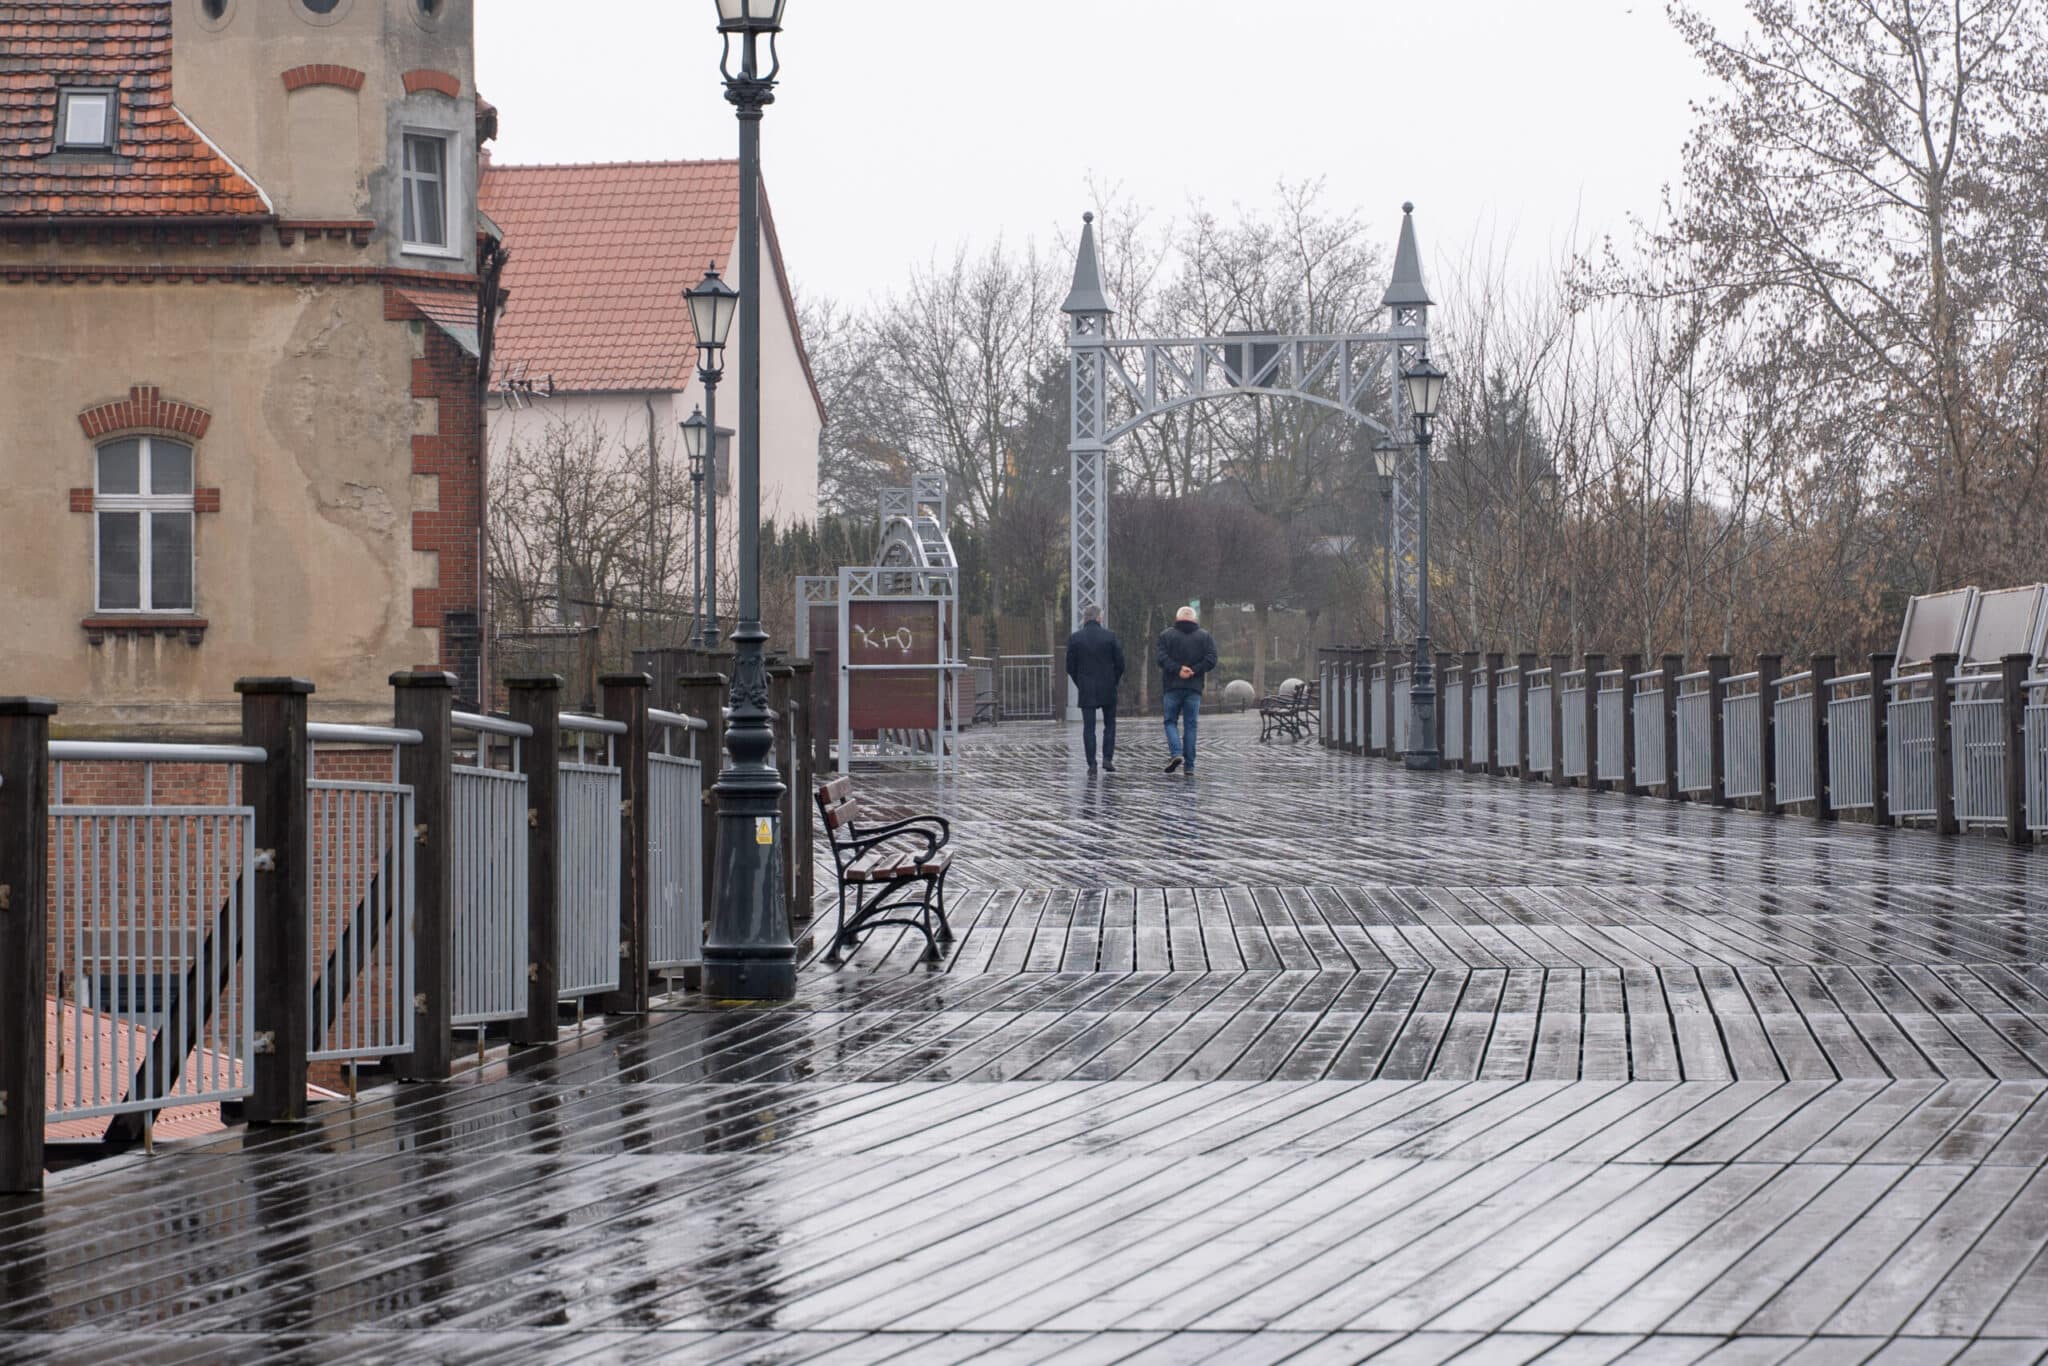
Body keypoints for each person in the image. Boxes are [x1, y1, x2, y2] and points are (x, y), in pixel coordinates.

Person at [1156, 605, 1218, 774]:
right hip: (1194, 687)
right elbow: (1211, 659)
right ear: (1195, 619)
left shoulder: (1166, 635)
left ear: (1177, 619)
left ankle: (1176, 753)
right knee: (1191, 725)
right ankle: (1189, 766)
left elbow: (1161, 658)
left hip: (1172, 686)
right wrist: (1194, 670)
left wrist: (1177, 669)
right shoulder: (1205, 637)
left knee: (1170, 721)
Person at [1065, 604, 1125, 773]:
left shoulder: (1075, 638)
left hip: (1086, 687)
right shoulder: (1110, 636)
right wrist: (1113, 680)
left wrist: (1080, 682)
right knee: (1110, 724)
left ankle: (1091, 763)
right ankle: (1107, 758)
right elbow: (1120, 663)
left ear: (1085, 618)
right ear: (1099, 618)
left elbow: (1070, 666)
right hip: (1108, 686)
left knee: (1088, 728)